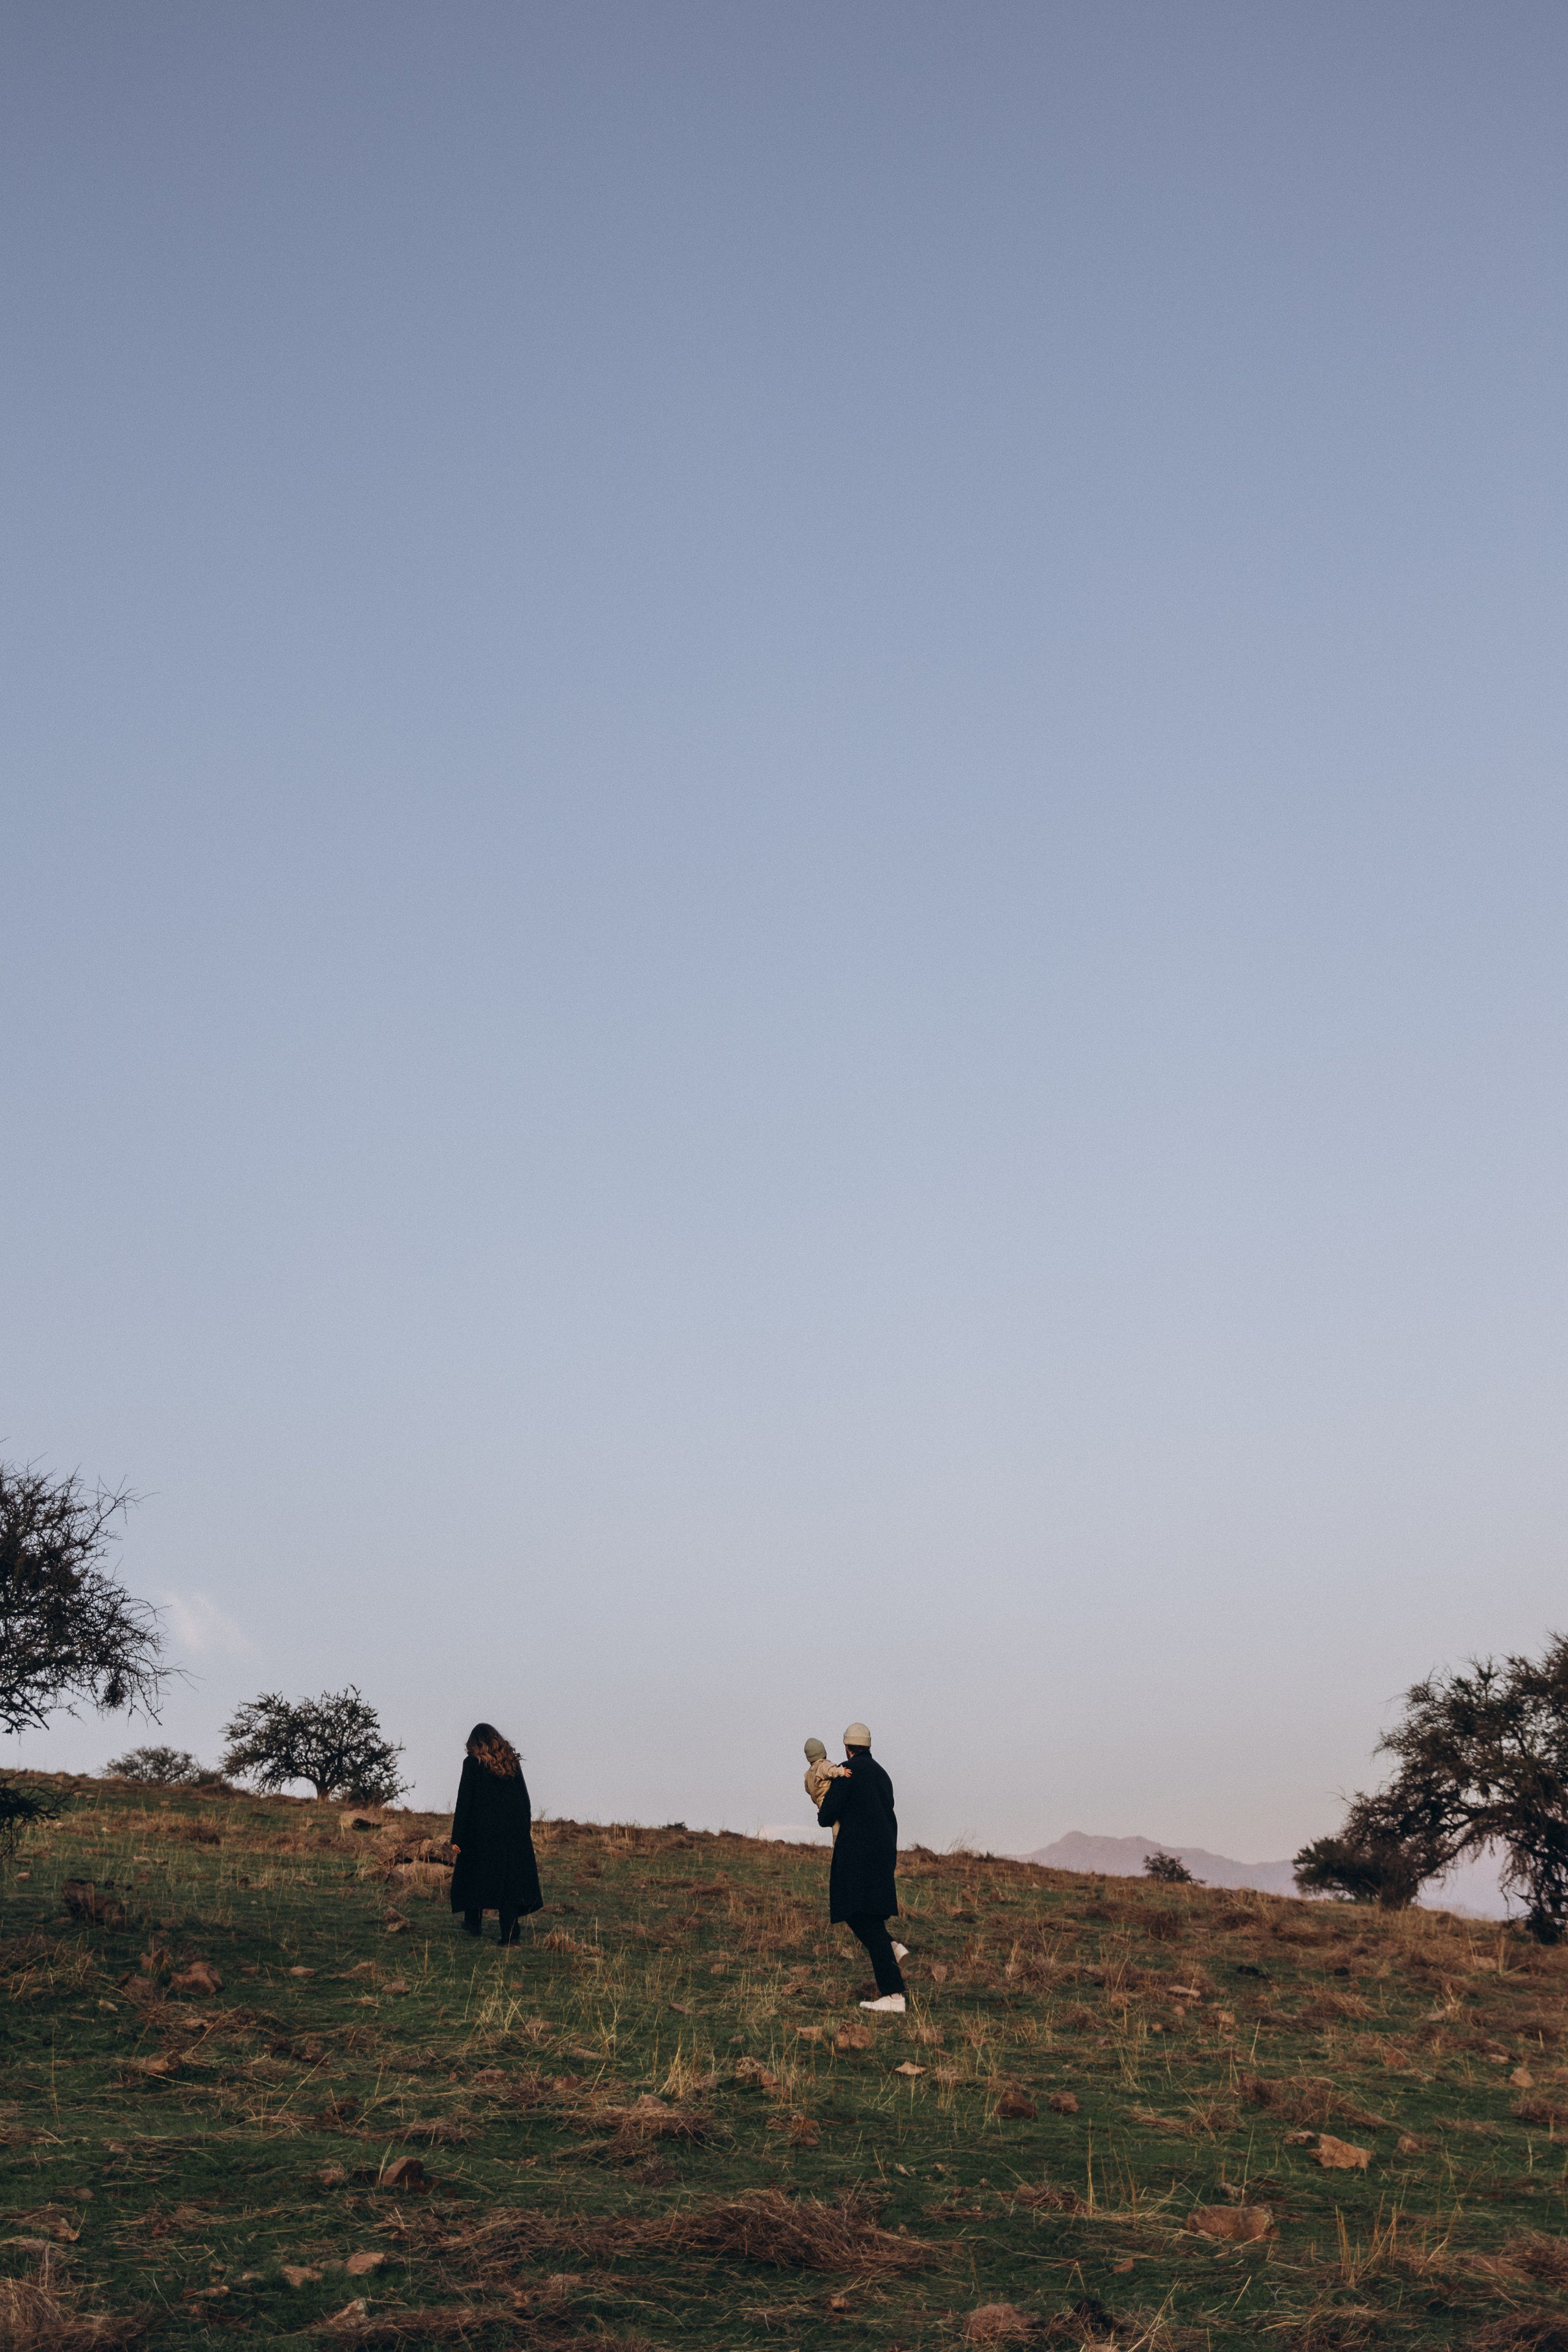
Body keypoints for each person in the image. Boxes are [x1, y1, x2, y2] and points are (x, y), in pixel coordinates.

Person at [815, 1721, 908, 2013]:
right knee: (869, 1917)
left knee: (855, 1913)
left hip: (856, 1859)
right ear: (868, 1746)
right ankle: (891, 1950)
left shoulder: (847, 1772)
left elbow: (826, 1815)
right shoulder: (883, 1775)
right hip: (883, 1856)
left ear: (847, 1747)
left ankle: (894, 1995)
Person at [449, 1721, 543, 1946]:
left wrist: (458, 1837)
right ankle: (511, 1935)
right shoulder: (511, 1763)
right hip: (511, 1834)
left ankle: (473, 1923)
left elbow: (465, 1802)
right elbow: (524, 1800)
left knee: (471, 1872)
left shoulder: (472, 1764)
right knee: (508, 1884)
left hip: (480, 1833)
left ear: (475, 1744)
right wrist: (524, 1830)